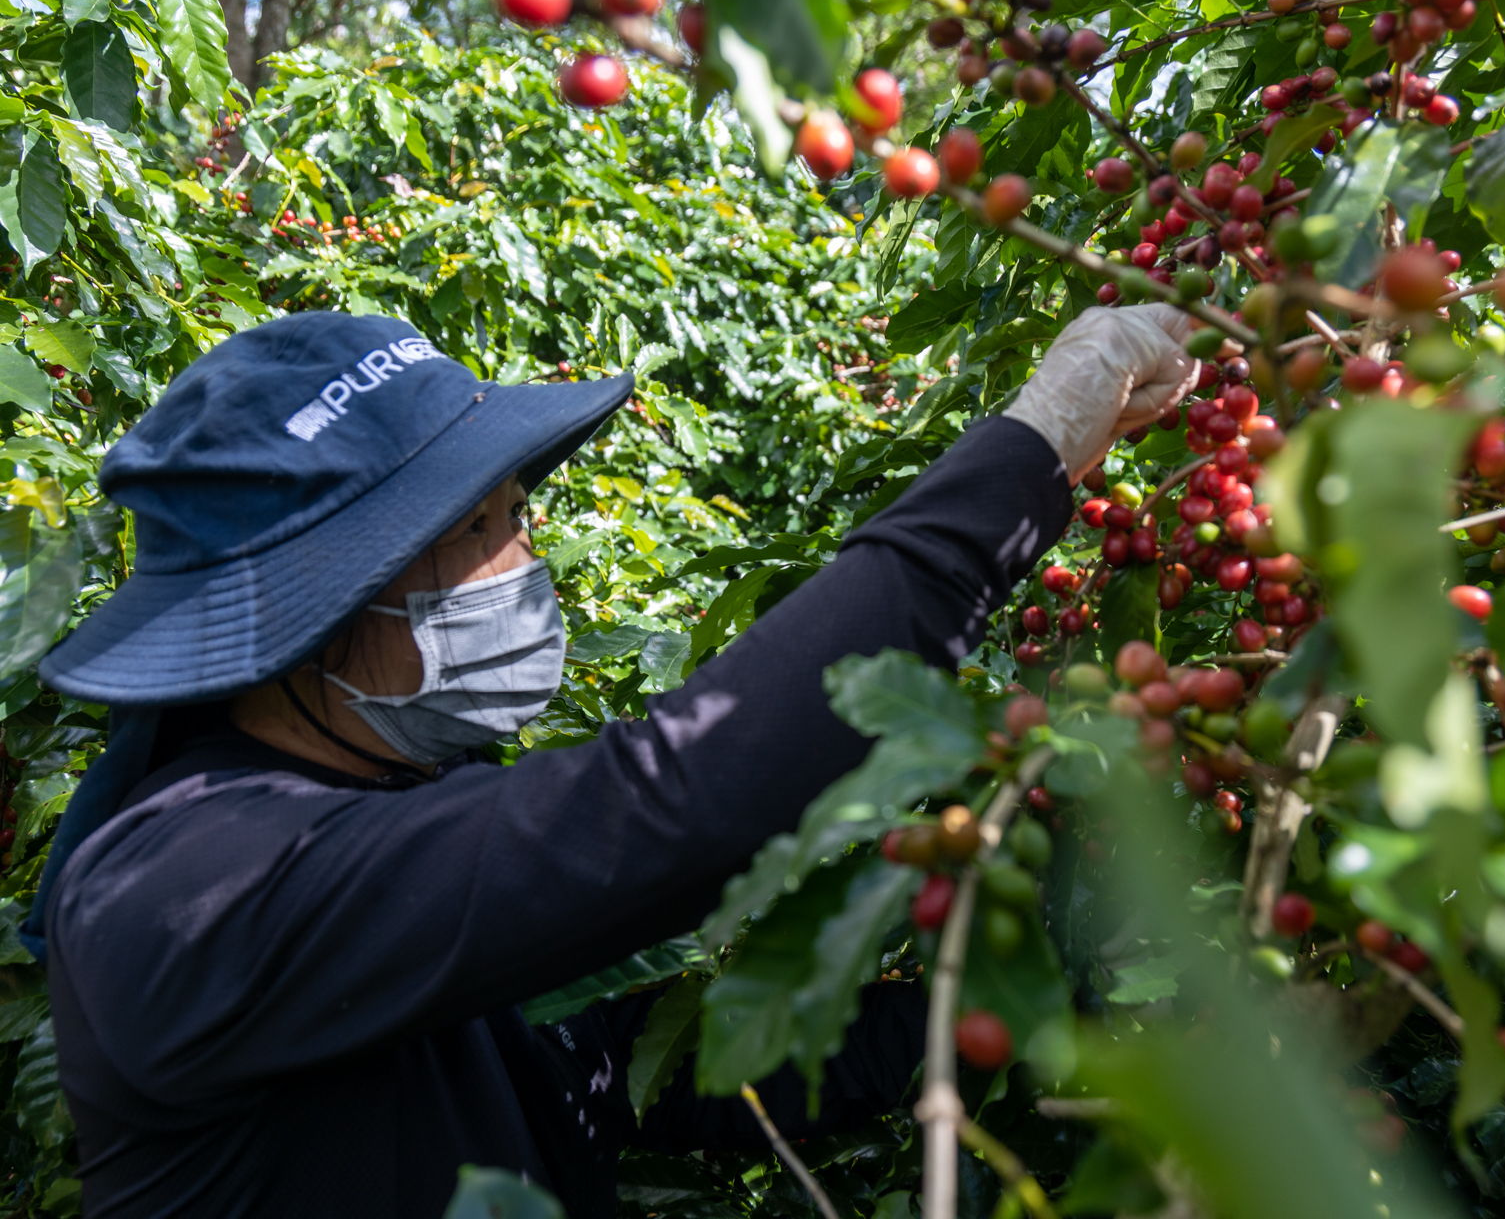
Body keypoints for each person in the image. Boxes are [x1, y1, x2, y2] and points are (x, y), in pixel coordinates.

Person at [25, 305, 1196, 1217]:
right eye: (479, 528)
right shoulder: (178, 888)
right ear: (319, 616)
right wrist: (1028, 455)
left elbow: (632, 1065)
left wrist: (1041, 1023)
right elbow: (665, 803)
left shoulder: (391, 803)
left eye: (514, 510)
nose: (524, 557)